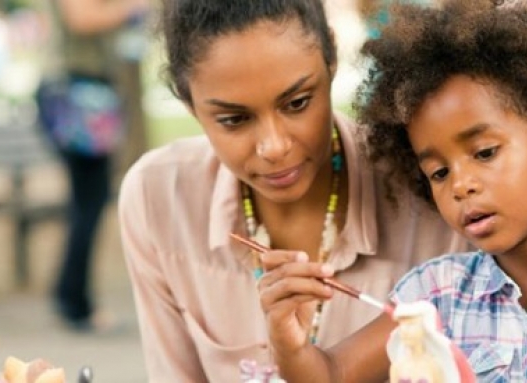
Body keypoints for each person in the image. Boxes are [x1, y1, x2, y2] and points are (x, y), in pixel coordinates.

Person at [257, 0, 527, 381]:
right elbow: (333, 373)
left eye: (485, 153)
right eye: (439, 173)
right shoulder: (436, 295)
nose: (461, 185)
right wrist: (291, 346)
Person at [117, 0, 466, 381]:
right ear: (189, 104)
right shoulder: (158, 198)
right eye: (234, 120)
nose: (274, 147)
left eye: (297, 103)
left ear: (331, 61)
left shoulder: (431, 190)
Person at [43, 0, 147, 332]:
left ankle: (72, 297)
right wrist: (131, 8)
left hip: (90, 94)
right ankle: (74, 301)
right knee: (89, 200)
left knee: (88, 200)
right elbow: (82, 18)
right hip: (78, 94)